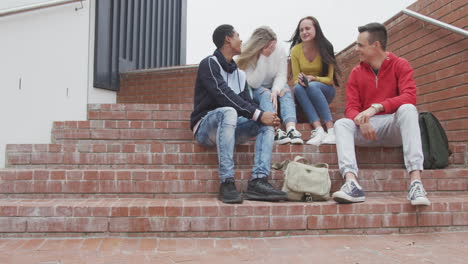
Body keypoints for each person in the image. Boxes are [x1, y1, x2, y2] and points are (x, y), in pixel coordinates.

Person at [332, 22, 431, 206]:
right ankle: (351, 182)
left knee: (408, 109)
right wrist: (361, 120)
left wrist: (377, 107)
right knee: (341, 124)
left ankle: (416, 183)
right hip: (367, 129)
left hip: (394, 128)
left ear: (375, 45)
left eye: (360, 45)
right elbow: (351, 108)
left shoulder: (400, 65)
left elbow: (410, 96)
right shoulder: (356, 73)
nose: (357, 50)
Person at [190, 24, 288, 204]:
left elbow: (247, 103)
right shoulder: (209, 63)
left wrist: (266, 116)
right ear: (228, 39)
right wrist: (258, 114)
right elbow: (223, 95)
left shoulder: (240, 74)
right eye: (237, 35)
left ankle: (258, 180)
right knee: (229, 111)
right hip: (206, 127)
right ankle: (227, 182)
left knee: (265, 122)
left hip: (230, 128)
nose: (241, 40)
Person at [237, 26, 303, 145]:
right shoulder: (248, 53)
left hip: (275, 83)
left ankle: (291, 129)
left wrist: (275, 90)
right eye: (269, 46)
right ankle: (276, 130)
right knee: (266, 94)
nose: (273, 49)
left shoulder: (280, 49)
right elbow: (254, 83)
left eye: (274, 45)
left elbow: (282, 74)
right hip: (257, 87)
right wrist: (263, 57)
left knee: (285, 91)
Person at [289, 16, 341, 146]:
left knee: (312, 86)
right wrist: (301, 81)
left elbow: (329, 80)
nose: (304, 32)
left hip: (325, 90)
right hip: (306, 91)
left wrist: (313, 78)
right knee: (297, 88)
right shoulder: (295, 50)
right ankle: (319, 130)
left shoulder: (326, 47)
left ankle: (330, 130)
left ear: (316, 29)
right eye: (301, 30)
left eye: (307, 28)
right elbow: (295, 79)